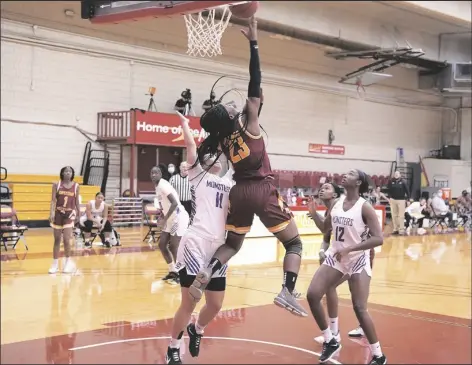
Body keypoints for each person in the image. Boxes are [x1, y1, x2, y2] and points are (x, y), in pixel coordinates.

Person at [187, 17, 307, 317]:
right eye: (228, 108)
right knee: (294, 244)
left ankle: (205, 274)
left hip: (238, 192)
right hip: (262, 189)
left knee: (232, 246)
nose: (232, 105)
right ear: (230, 117)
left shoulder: (223, 140)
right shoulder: (249, 124)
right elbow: (255, 81)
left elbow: (252, 97)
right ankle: (287, 290)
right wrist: (253, 42)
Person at [165, 111, 234, 364]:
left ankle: (197, 329)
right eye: (208, 155)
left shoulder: (229, 180)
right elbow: (191, 145)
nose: (212, 156)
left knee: (215, 305)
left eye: (215, 155)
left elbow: (235, 152)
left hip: (220, 248)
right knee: (190, 302)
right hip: (195, 243)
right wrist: (185, 125)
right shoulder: (197, 175)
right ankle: (173, 347)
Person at [306, 170, 386, 365]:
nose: (344, 175)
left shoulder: (364, 207)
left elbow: (378, 238)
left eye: (350, 174)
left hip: (358, 257)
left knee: (359, 307)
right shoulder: (336, 204)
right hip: (337, 256)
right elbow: (326, 229)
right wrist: (314, 213)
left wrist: (352, 248)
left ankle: (379, 355)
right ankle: (330, 339)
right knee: (313, 294)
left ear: (358, 182)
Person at [309, 182, 375, 344]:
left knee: (352, 294)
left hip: (359, 254)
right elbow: (326, 234)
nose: (322, 189)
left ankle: (338, 331)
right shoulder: (332, 209)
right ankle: (335, 331)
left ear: (335, 194)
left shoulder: (342, 206)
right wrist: (322, 252)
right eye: (321, 187)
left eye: (327, 188)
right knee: (336, 288)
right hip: (343, 255)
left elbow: (326, 230)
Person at [151, 165, 189, 285]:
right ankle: (173, 271)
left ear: (161, 174)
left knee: (174, 246)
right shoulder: (157, 187)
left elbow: (174, 203)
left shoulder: (163, 185)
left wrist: (165, 219)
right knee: (162, 244)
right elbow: (164, 205)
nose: (153, 175)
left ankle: (182, 274)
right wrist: (162, 217)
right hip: (170, 217)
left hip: (178, 216)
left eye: (156, 172)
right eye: (152, 173)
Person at [49, 166, 80, 274]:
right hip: (58, 214)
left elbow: (76, 202)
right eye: (66, 171)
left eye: (70, 171)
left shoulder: (76, 186)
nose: (68, 173)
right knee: (57, 240)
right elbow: (53, 200)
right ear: (62, 173)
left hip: (69, 215)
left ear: (72, 174)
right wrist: (51, 212)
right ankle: (55, 264)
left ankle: (67, 263)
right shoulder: (56, 185)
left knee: (67, 239)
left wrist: (79, 214)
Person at [387, 171, 410, 235]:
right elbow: (389, 190)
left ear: (400, 175)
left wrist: (408, 200)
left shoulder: (403, 181)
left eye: (397, 174)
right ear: (394, 175)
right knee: (394, 215)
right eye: (395, 174)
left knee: (401, 216)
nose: (396, 175)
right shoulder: (391, 181)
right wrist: (389, 197)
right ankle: (395, 229)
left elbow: (407, 191)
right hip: (393, 200)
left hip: (401, 200)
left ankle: (401, 230)